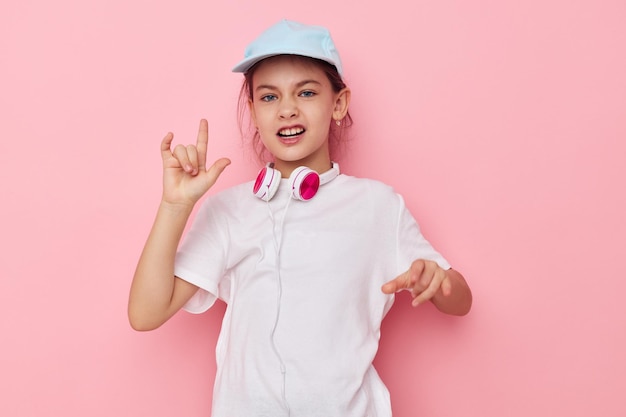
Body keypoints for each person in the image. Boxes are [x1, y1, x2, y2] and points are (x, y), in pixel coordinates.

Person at [128, 19, 472, 417]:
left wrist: (440, 280)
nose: (287, 109)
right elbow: (145, 314)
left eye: (306, 92)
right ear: (253, 111)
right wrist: (175, 207)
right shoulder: (227, 211)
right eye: (269, 97)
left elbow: (460, 302)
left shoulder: (378, 206)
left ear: (338, 103)